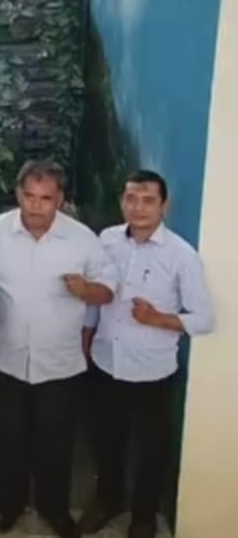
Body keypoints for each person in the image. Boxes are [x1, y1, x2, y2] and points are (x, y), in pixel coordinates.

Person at [0, 160, 117, 538]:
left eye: (46, 198)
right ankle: (8, 506)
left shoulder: (83, 240)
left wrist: (87, 290)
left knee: (56, 445)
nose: (35, 205)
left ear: (60, 199)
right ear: (18, 193)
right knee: (6, 440)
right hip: (5, 360)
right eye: (29, 196)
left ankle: (54, 510)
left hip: (60, 364)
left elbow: (108, 290)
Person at [78, 171, 214, 538]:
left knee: (152, 451)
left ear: (164, 205)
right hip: (105, 363)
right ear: (122, 201)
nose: (138, 208)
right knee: (106, 441)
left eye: (148, 200)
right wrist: (86, 340)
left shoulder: (181, 255)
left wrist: (158, 319)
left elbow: (204, 319)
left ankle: (143, 515)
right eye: (131, 199)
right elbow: (95, 300)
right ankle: (107, 501)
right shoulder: (106, 241)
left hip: (152, 372)